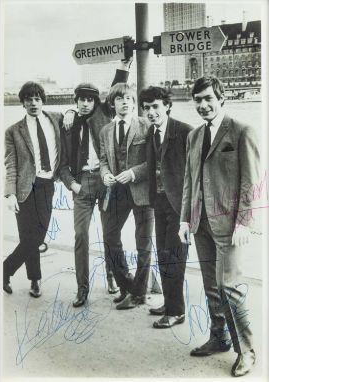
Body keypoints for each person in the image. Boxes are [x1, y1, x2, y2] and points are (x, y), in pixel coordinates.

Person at [178, 76, 260, 377]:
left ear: (222, 98)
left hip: (229, 225)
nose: (203, 105)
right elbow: (190, 180)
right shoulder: (195, 136)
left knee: (231, 288)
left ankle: (247, 351)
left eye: (208, 98)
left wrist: (244, 222)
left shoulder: (242, 132)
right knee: (212, 286)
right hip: (201, 224)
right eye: (198, 100)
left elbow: (253, 182)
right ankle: (219, 337)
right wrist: (185, 219)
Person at [59, 59, 132, 307]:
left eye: (90, 99)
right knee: (81, 236)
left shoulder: (103, 113)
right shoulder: (67, 125)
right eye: (81, 99)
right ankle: (82, 289)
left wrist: (124, 65)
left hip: (105, 181)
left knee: (110, 233)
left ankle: (112, 277)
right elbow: (61, 165)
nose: (85, 103)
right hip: (82, 184)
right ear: (76, 100)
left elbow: (116, 87)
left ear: (96, 102)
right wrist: (72, 184)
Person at [3, 81, 63, 298]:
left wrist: (74, 111)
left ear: (43, 101)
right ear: (23, 103)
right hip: (24, 189)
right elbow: (10, 164)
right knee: (28, 235)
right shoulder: (13, 131)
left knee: (36, 236)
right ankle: (35, 280)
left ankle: (4, 270)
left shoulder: (56, 119)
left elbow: (81, 114)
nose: (33, 103)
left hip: (47, 185)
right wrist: (9, 193)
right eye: (29, 99)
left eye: (37, 98)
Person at [139, 86, 193, 328]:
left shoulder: (184, 132)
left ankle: (176, 311)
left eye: (155, 107)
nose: (151, 112)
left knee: (175, 259)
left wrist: (190, 212)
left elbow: (196, 174)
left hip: (180, 207)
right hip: (160, 204)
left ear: (167, 106)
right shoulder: (151, 133)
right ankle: (170, 302)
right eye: (147, 108)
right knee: (163, 256)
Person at [99, 83, 154, 310]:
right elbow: (103, 160)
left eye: (128, 99)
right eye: (119, 99)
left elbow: (155, 161)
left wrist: (132, 173)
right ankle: (127, 285)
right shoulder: (106, 131)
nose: (124, 103)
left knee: (143, 243)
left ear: (134, 102)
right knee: (110, 237)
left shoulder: (146, 125)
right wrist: (105, 175)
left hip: (142, 191)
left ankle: (138, 294)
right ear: (112, 104)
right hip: (116, 192)